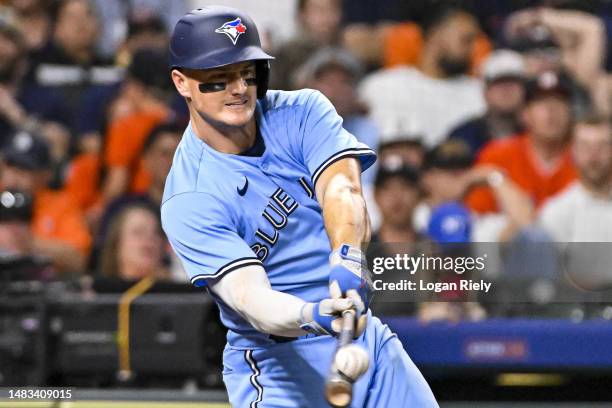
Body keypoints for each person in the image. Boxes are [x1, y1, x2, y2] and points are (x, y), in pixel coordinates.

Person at [161, 6, 438, 407]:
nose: (237, 88)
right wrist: (317, 315)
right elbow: (249, 299)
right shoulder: (190, 196)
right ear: (182, 82)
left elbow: (342, 189)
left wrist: (348, 256)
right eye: (217, 78)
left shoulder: (301, 111)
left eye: (246, 72)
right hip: (277, 368)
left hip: (365, 343)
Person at [358, 5, 485, 147]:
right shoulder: (381, 86)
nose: (473, 49)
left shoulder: (479, 93)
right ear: (436, 35)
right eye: (466, 40)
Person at [466, 70, 577, 215]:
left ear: (571, 112)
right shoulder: (497, 156)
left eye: (559, 102)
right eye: (541, 102)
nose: (551, 110)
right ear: (525, 114)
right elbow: (479, 217)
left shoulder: (589, 154)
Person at [0, 131, 91, 273]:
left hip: (42, 289)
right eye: (10, 167)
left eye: (24, 169)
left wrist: (28, 242)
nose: (14, 177)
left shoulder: (60, 204)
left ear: (45, 175)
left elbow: (78, 259)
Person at [539, 115, 612, 241]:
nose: (593, 155)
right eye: (585, 146)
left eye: (602, 145)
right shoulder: (556, 212)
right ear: (573, 152)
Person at [449, 50, 526, 157]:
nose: (506, 90)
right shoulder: (464, 136)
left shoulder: (537, 133)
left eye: (513, 82)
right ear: (485, 92)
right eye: (498, 83)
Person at [99, 202, 170, 281]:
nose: (150, 237)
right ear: (117, 244)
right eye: (138, 232)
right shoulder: (97, 291)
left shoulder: (177, 291)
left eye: (156, 232)